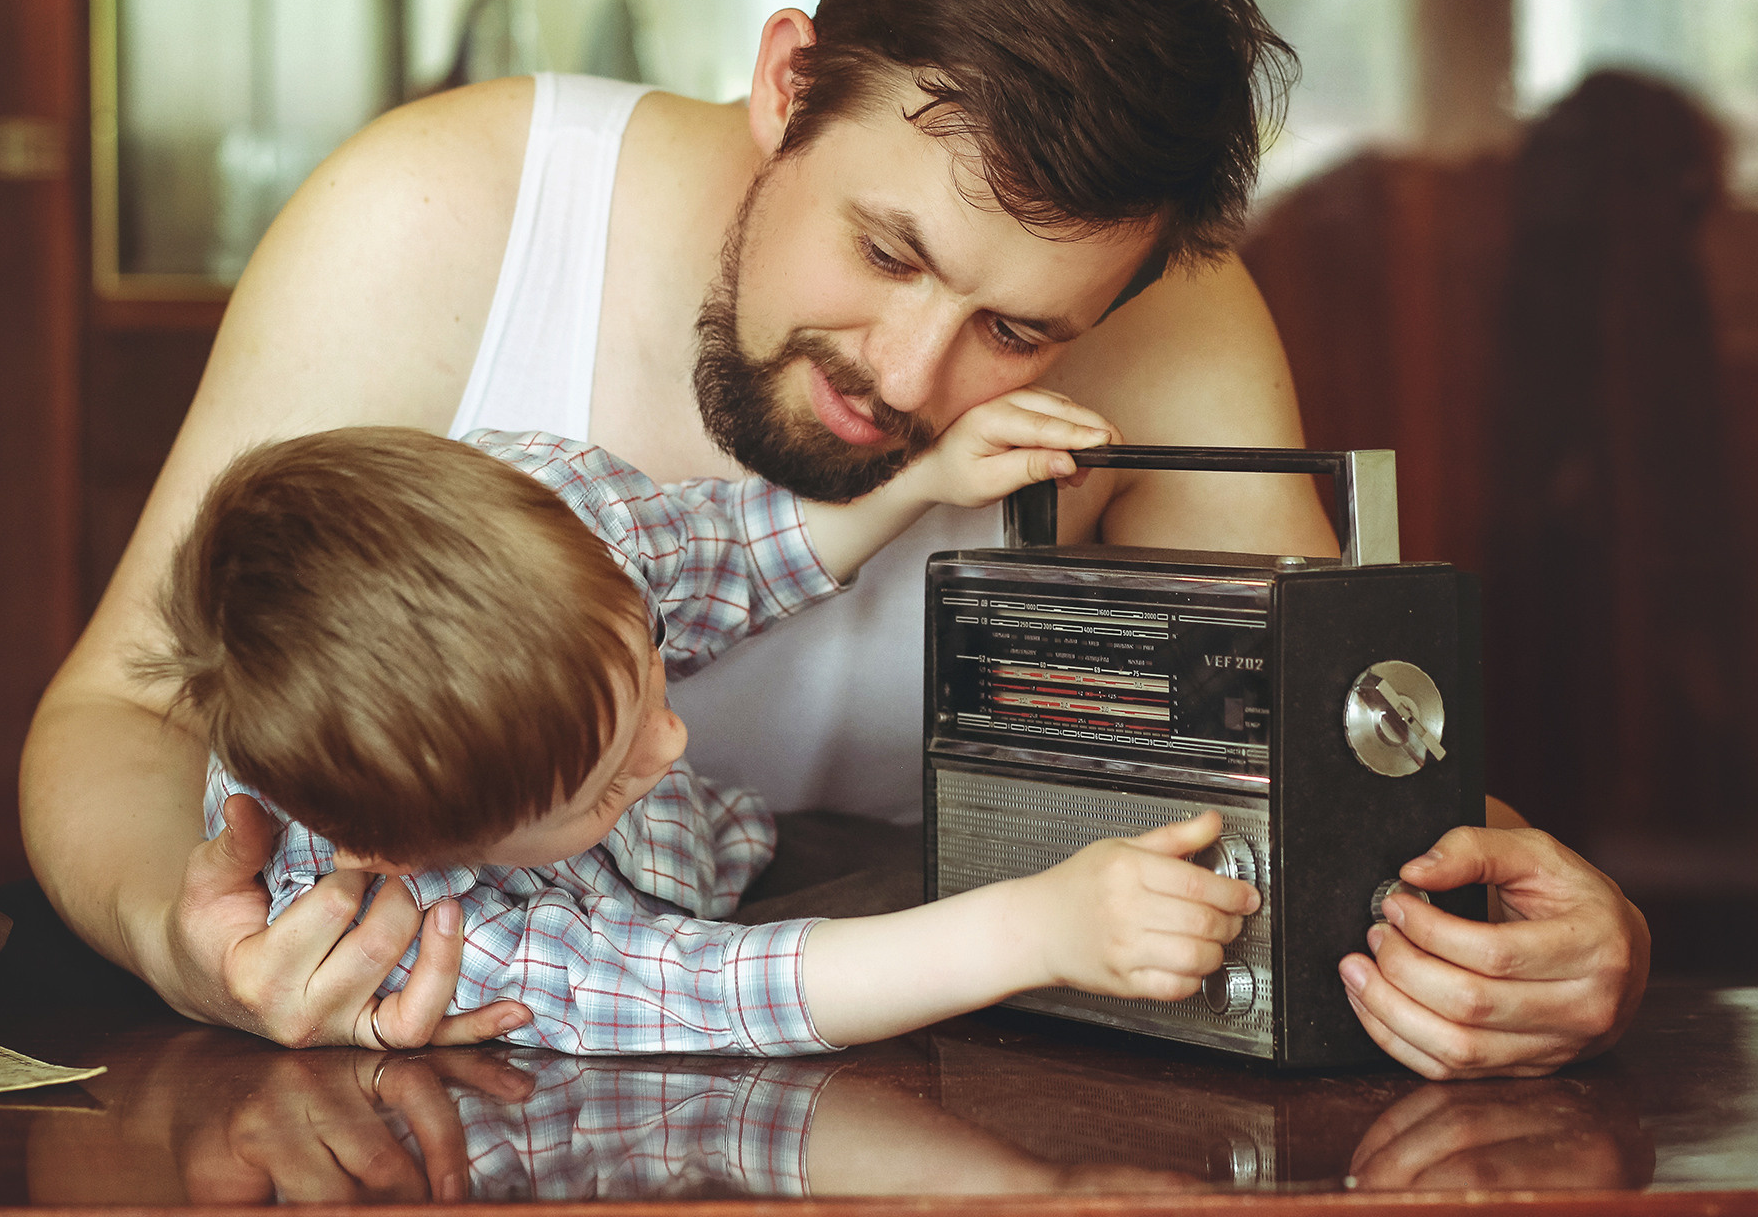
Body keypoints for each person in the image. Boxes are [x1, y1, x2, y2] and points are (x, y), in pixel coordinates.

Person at [22, 0, 1647, 1077]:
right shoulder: (442, 218)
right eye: (884, 248)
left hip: (960, 1078)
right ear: (787, 84)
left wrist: (1569, 935)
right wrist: (193, 942)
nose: (912, 380)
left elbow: (1326, 760)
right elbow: (122, 714)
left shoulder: (1181, 323)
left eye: (1021, 329)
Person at [161, 416, 1255, 1054]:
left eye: (646, 662)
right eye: (596, 790)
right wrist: (1035, 934)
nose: (671, 744)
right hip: (689, 972)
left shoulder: (549, 514)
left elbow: (722, 546)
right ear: (418, 850)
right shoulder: (418, 927)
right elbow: (707, 986)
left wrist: (920, 479)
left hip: (754, 846)